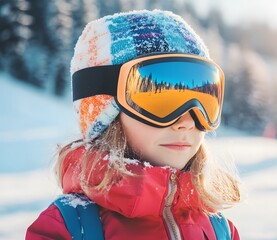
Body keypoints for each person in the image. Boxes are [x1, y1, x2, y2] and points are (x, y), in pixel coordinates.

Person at [26, 10, 241, 239]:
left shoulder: (220, 229)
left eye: (204, 98)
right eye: (160, 99)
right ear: (106, 114)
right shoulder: (68, 227)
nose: (187, 122)